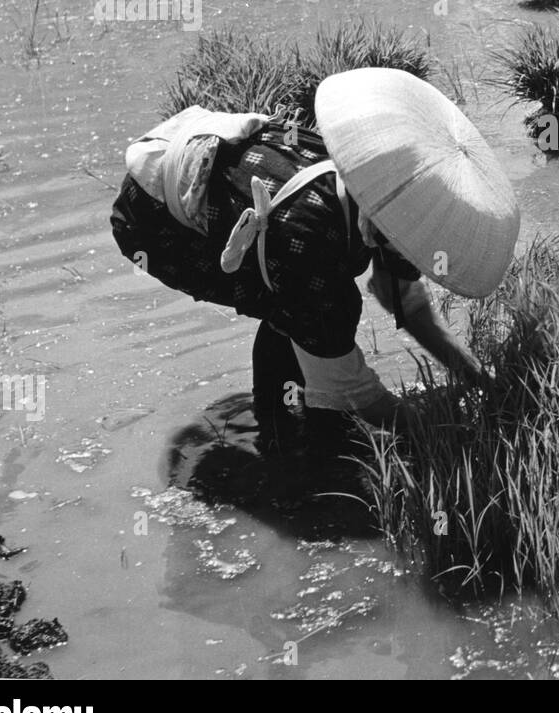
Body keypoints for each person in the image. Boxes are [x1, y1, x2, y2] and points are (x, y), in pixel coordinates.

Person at [110, 67, 521, 457]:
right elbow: (358, 393)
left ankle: (296, 413)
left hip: (248, 200)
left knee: (296, 304)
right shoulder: (306, 243)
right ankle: (280, 437)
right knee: (303, 307)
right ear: (381, 224)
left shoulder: (377, 183)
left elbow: (407, 305)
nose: (409, 252)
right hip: (154, 224)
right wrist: (451, 430)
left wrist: (481, 380)